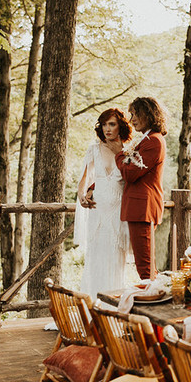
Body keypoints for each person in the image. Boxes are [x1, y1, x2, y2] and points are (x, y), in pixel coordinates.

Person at [73, 108, 133, 300]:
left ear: (121, 126)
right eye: (105, 124)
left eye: (112, 124)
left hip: (118, 214)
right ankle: (93, 307)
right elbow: (83, 179)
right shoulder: (94, 149)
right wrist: (83, 195)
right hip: (97, 214)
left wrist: (123, 153)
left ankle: (113, 309)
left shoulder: (129, 150)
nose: (107, 129)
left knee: (116, 261)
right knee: (96, 261)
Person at [106, 96, 167, 280]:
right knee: (145, 263)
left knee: (145, 266)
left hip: (143, 209)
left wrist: (118, 154)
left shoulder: (154, 141)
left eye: (135, 114)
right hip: (138, 208)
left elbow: (131, 174)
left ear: (149, 114)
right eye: (131, 114)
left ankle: (155, 303)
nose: (132, 119)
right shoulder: (146, 139)